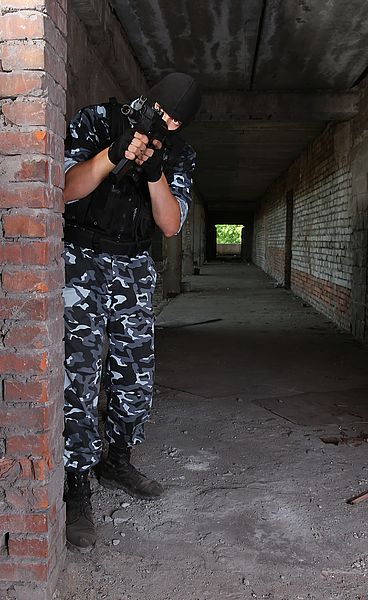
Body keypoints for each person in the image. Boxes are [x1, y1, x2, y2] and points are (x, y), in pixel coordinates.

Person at [62, 72, 201, 552]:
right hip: (79, 262)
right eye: (163, 113)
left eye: (177, 121)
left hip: (134, 267)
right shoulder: (96, 121)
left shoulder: (178, 154)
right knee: (77, 376)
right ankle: (76, 478)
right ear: (149, 102)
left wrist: (153, 170)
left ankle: (116, 460)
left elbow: (168, 224)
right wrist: (113, 154)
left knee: (135, 376)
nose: (168, 123)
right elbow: (62, 190)